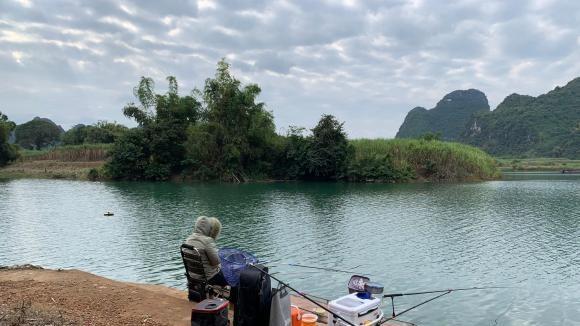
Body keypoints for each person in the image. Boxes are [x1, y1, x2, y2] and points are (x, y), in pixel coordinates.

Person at [185, 216, 229, 286]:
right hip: (209, 278)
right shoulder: (207, 241)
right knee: (233, 279)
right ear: (208, 228)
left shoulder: (188, 240)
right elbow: (216, 262)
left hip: (193, 277)